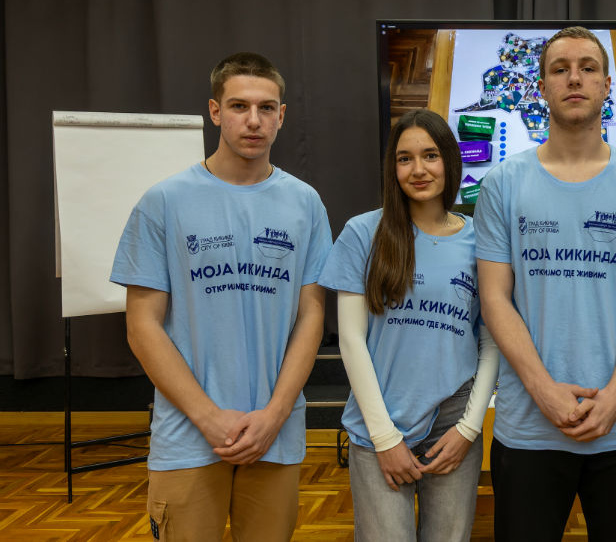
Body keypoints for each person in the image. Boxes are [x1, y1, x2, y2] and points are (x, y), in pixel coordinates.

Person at [111, 52, 332, 541]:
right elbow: (142, 326)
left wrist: (275, 414)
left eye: (266, 108)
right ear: (215, 111)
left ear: (281, 115)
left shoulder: (306, 204)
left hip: (273, 434)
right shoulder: (164, 201)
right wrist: (208, 418)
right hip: (188, 437)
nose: (253, 120)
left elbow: (312, 315)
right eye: (238, 106)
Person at [474, 26, 616, 541]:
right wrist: (544, 391)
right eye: (560, 69)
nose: (575, 79)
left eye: (588, 68)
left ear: (607, 84)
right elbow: (495, 298)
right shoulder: (502, 183)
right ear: (542, 87)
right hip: (528, 426)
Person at [317, 108, 498, 542]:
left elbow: (492, 343)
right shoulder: (364, 233)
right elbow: (351, 340)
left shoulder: (482, 240)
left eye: (430, 155)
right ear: (392, 167)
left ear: (450, 161)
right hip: (380, 416)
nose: (418, 169)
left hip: (454, 419)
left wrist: (469, 428)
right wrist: (384, 438)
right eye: (404, 158)